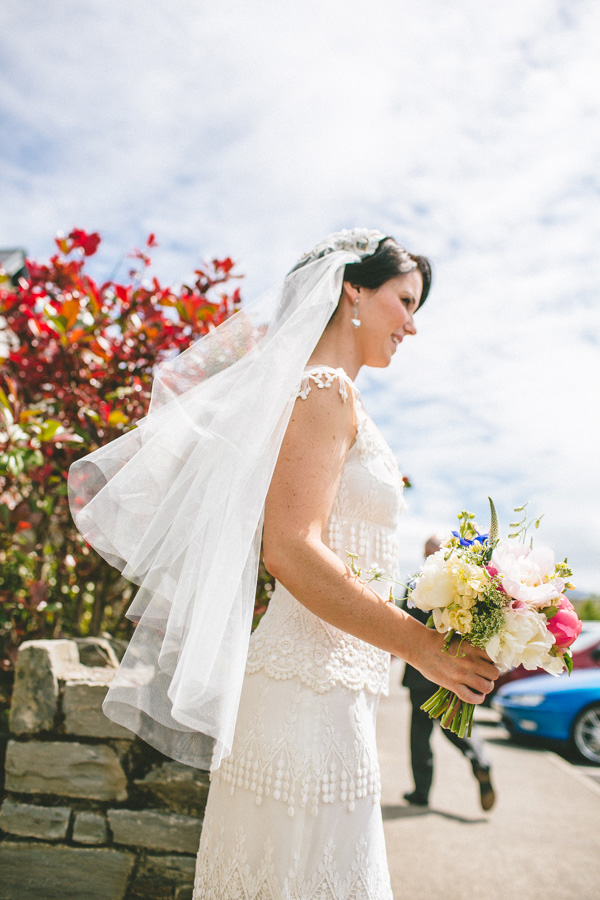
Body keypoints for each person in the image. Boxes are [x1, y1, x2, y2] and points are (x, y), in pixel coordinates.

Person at [68, 229, 499, 900]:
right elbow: (292, 548)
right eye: (406, 301)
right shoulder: (323, 391)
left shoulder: (336, 398)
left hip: (331, 694)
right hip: (303, 699)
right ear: (352, 289)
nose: (413, 325)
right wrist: (423, 648)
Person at [402, 536, 496, 811]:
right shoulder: (461, 585)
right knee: (455, 725)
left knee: (419, 735)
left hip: (421, 672)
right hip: (455, 669)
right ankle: (480, 759)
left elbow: (404, 623)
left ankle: (421, 793)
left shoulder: (416, 586)